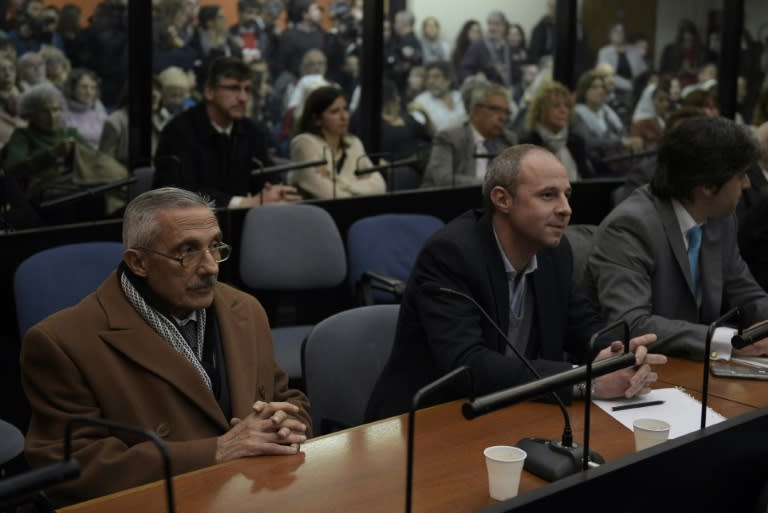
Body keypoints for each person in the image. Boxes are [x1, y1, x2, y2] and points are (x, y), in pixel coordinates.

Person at [21, 187, 312, 507]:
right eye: (187, 251)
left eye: (215, 247)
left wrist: (287, 424)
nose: (211, 267)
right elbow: (72, 465)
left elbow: (284, 397)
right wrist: (215, 451)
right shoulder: (61, 342)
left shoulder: (246, 309)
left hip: (256, 496)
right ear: (138, 262)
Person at [366, 144, 667, 421]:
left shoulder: (555, 252)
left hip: (517, 410)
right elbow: (466, 366)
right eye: (548, 195)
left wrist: (619, 356)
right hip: (434, 418)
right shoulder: (452, 255)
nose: (566, 209)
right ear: (502, 199)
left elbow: (584, 328)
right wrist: (583, 381)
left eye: (567, 195)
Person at [586, 116, 768, 361]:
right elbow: (631, 323)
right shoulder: (630, 226)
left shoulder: (720, 219)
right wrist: (727, 341)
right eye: (741, 175)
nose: (747, 184)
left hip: (696, 369)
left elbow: (746, 293)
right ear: (706, 185)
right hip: (645, 373)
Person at [154, 56, 300, 209]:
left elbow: (267, 178)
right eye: (234, 88)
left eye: (247, 89)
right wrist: (243, 203)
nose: (243, 98)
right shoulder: (178, 132)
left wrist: (277, 191)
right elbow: (177, 193)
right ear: (210, 92)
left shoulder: (251, 131)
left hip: (244, 224)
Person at [289, 85, 386, 199]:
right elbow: (329, 195)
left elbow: (380, 187)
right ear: (317, 119)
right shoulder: (304, 144)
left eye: (345, 109)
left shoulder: (354, 143)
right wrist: (359, 184)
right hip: (319, 213)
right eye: (335, 112)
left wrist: (337, 182)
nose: (344, 117)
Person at [421, 81, 517, 188]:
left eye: (506, 112)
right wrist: (490, 186)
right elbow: (444, 180)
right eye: (496, 109)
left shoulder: (507, 141)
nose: (503, 118)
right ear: (476, 112)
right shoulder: (449, 138)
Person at [519, 80, 593, 181]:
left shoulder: (576, 141)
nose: (563, 110)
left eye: (567, 106)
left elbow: (587, 178)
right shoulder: (529, 143)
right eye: (556, 105)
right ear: (541, 110)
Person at [411, 60, 467, 132]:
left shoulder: (460, 96)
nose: (431, 81)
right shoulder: (420, 102)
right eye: (428, 77)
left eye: (436, 77)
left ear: (448, 79)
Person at [60, 68, 108, 149]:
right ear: (72, 88)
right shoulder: (62, 114)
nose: (89, 92)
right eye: (84, 87)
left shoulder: (100, 115)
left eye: (93, 88)